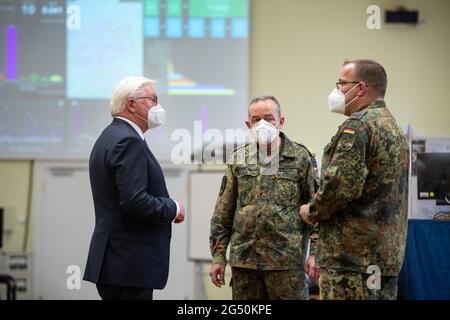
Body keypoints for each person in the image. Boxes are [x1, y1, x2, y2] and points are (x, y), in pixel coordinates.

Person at [300, 59, 409, 300]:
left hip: (351, 262)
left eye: (340, 83)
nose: (336, 90)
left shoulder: (358, 128)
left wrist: (312, 210)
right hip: (384, 258)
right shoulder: (393, 128)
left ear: (360, 88)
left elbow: (339, 188)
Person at [83, 76, 185, 300]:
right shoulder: (127, 141)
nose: (157, 106)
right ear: (131, 105)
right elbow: (135, 200)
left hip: (118, 263)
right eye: (153, 99)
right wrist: (173, 208)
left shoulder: (111, 136)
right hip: (128, 264)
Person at [209, 95, 318, 300]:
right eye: (256, 119)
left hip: (286, 265)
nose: (262, 124)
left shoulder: (301, 157)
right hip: (245, 264)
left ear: (281, 121)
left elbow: (317, 210)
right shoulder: (239, 158)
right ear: (248, 124)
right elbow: (223, 212)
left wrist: (315, 253)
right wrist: (218, 257)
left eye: (268, 118)